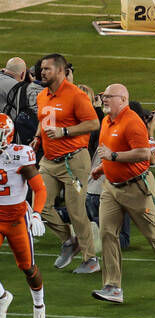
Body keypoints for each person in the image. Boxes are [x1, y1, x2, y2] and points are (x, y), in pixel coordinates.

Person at [89, 85, 155, 305]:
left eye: (109, 97)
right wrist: (103, 167)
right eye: (104, 96)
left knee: (153, 235)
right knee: (107, 233)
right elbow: (107, 150)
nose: (105, 99)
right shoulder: (106, 121)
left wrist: (114, 156)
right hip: (111, 186)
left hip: (135, 186)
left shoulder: (132, 122)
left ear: (123, 99)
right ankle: (113, 286)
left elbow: (145, 154)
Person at [35, 54, 99, 274]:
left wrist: (65, 131)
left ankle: (90, 259)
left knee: (76, 210)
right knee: (40, 206)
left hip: (74, 160)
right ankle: (69, 240)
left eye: (47, 69)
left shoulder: (76, 95)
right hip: (49, 159)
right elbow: (43, 119)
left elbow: (93, 123)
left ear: (60, 71)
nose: (42, 72)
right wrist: (37, 137)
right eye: (42, 69)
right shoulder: (42, 95)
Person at [0, 113, 48, 318]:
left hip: (17, 218)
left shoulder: (20, 155)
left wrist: (37, 214)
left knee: (27, 267)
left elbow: (39, 188)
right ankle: (2, 297)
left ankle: (39, 307)